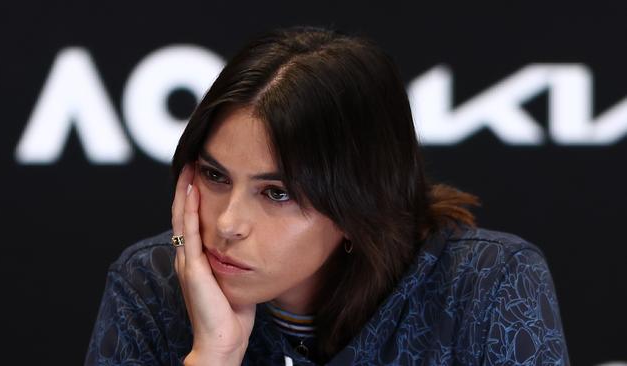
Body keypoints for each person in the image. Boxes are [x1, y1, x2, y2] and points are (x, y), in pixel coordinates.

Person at [85, 26, 569, 365]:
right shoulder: (150, 285)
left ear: (359, 202)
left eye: (275, 193)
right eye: (215, 176)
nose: (228, 224)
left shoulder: (485, 287)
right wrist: (215, 355)